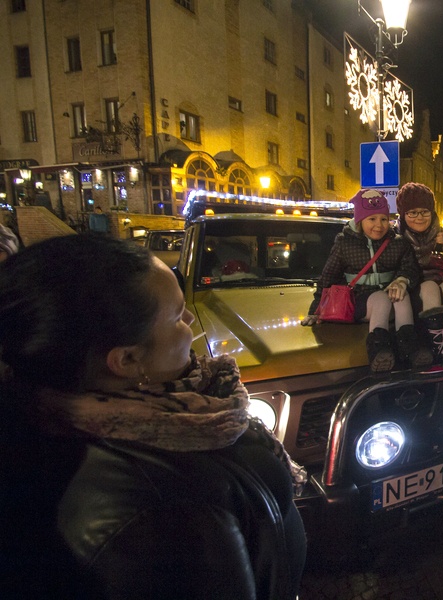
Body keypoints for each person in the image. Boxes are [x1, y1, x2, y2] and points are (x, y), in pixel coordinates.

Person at [0, 235, 307, 599]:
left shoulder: (172, 411)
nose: (191, 320)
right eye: (177, 316)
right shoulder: (162, 517)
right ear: (127, 360)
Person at [302, 189, 431, 372]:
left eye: (384, 219)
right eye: (372, 219)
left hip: (391, 296)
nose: (379, 225)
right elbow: (327, 277)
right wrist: (315, 309)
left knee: (401, 296)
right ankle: (379, 350)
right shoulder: (344, 243)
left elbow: (410, 268)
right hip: (358, 301)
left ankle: (411, 348)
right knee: (381, 299)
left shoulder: (398, 243)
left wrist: (402, 280)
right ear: (360, 220)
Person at [394, 182, 443, 364]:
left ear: (432, 212)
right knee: (430, 287)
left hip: (441, 283)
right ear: (403, 215)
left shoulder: (442, 234)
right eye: (412, 212)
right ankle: (437, 344)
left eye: (424, 211)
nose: (419, 217)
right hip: (413, 286)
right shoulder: (397, 238)